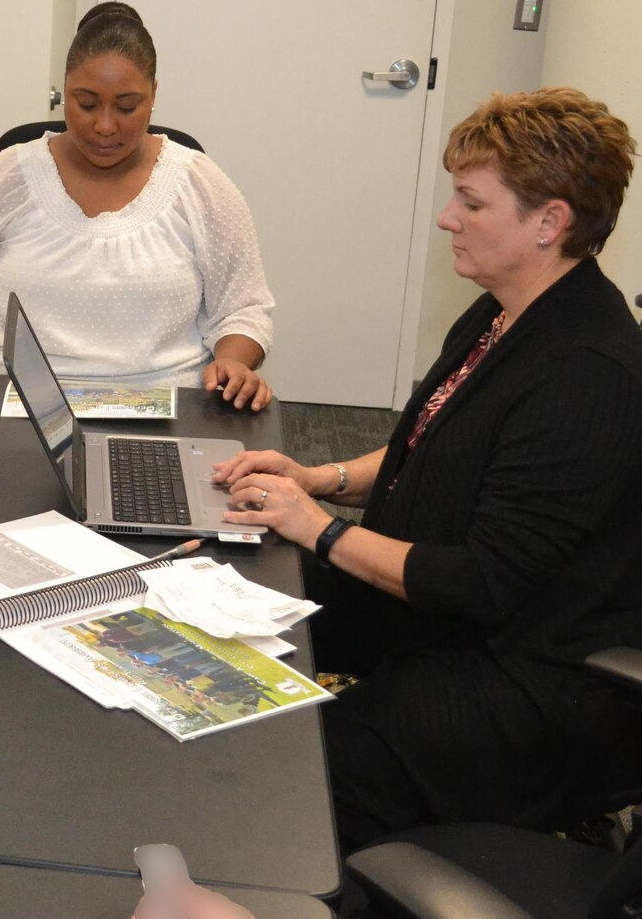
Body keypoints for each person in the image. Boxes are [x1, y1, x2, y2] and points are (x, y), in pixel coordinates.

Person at [214, 87, 642, 850]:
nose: (448, 218)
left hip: (525, 678)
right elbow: (434, 445)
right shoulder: (504, 308)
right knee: (226, 582)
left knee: (297, 775)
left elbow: (482, 582)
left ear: (549, 222)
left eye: (471, 204)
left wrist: (317, 531)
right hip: (441, 611)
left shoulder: (587, 371)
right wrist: (320, 481)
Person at [0, 2, 275, 409]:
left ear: (154, 94)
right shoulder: (4, 177)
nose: (105, 126)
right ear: (63, 91)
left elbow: (244, 309)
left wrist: (232, 362)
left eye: (126, 107)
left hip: (163, 406)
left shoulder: (201, 184)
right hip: (18, 408)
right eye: (86, 104)